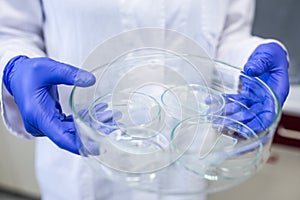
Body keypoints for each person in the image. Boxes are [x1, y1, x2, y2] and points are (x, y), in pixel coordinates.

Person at [0, 1, 289, 200]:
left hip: (184, 168)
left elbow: (225, 33)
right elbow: (10, 30)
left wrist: (247, 60)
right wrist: (14, 66)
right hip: (83, 167)